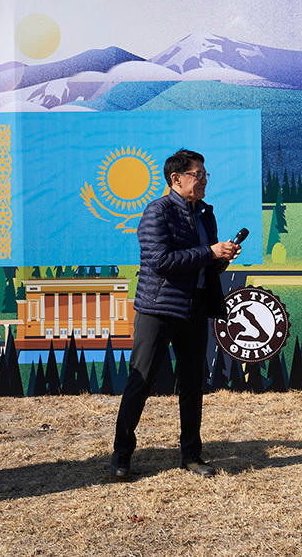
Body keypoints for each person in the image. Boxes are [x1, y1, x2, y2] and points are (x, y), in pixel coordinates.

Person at [110, 149, 240, 479]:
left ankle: (191, 455)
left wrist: (221, 257)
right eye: (199, 175)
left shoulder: (205, 214)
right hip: (159, 308)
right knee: (142, 381)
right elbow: (162, 262)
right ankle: (121, 455)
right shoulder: (158, 212)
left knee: (193, 384)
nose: (205, 180)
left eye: (205, 174)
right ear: (176, 179)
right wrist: (209, 251)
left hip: (195, 307)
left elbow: (202, 262)